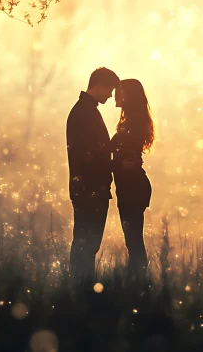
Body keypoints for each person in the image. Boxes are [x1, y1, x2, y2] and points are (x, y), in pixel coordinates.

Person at [66, 67, 120, 281]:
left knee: (86, 242)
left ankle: (80, 285)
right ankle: (81, 286)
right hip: (89, 190)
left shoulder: (84, 110)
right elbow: (89, 153)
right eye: (110, 90)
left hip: (88, 188)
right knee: (86, 242)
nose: (111, 95)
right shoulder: (84, 112)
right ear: (99, 85)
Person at [112, 79, 154, 278]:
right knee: (133, 240)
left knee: (134, 240)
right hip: (131, 187)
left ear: (128, 96)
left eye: (118, 91)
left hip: (132, 188)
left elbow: (126, 161)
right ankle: (137, 281)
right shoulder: (131, 121)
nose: (114, 95)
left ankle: (138, 282)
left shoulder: (133, 123)